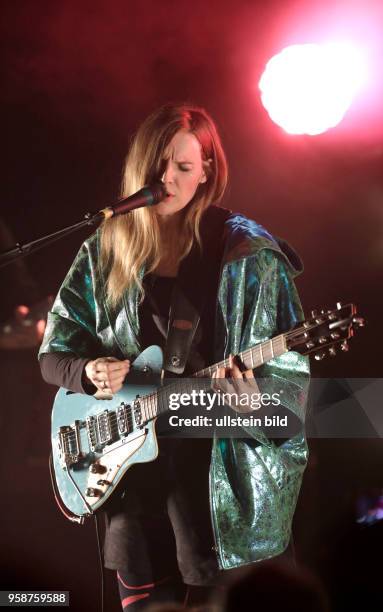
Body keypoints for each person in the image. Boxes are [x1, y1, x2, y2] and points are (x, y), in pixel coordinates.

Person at [39, 103, 310, 610]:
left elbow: (290, 401)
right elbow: (52, 355)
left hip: (216, 487)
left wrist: (253, 404)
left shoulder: (248, 255)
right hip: (130, 480)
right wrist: (86, 371)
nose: (167, 179)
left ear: (207, 171)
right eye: (158, 166)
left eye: (184, 167)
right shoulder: (105, 251)